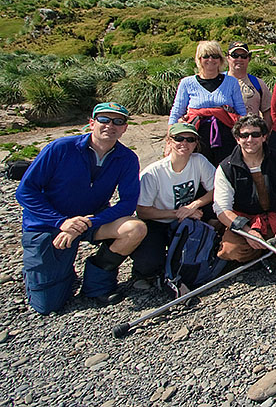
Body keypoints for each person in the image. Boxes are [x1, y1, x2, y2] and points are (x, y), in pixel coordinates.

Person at [17, 102, 146, 314]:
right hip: (47, 224)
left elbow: (128, 203)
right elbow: (25, 192)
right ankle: (56, 274)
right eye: (104, 119)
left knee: (135, 229)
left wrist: (87, 222)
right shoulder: (59, 149)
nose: (110, 125)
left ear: (125, 128)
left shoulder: (127, 158)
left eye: (118, 121)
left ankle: (96, 283)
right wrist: (62, 222)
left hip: (90, 220)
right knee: (48, 305)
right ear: (91, 123)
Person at [132, 123, 216, 282]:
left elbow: (216, 189)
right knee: (148, 265)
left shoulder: (198, 160)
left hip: (185, 220)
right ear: (169, 141)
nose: (184, 143)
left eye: (190, 139)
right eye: (179, 139)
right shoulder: (153, 173)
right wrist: (178, 213)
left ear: (195, 144)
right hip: (156, 221)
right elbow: (142, 211)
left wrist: (194, 205)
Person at [213, 115, 276, 263]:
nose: (250, 139)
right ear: (237, 139)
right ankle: (261, 252)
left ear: (264, 137)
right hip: (244, 221)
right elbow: (222, 209)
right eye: (244, 135)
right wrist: (248, 232)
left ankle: (264, 251)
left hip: (273, 218)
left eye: (255, 134)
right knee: (232, 250)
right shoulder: (226, 168)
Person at [169, 41, 247, 165]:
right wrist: (170, 139)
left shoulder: (231, 82)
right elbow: (176, 111)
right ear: (199, 59)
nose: (210, 59)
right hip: (196, 136)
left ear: (221, 60)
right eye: (206, 56)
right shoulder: (186, 83)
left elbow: (241, 111)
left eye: (215, 56)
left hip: (226, 135)